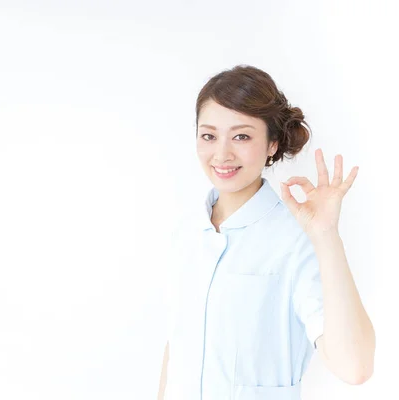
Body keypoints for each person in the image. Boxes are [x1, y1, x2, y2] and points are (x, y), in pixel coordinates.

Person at [157, 65, 375, 400]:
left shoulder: (297, 238)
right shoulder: (186, 232)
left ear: (272, 144)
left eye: (241, 136)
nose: (222, 154)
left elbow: (355, 367)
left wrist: (327, 236)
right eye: (209, 135)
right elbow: (178, 350)